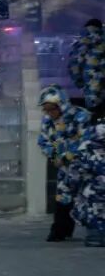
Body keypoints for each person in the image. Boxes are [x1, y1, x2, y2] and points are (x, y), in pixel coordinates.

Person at [38, 85, 93, 242]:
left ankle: (96, 232)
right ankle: (61, 231)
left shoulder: (81, 116)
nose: (49, 113)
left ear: (61, 104)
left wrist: (67, 157)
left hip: (86, 165)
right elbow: (46, 141)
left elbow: (86, 140)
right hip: (65, 167)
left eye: (52, 109)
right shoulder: (48, 121)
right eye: (46, 109)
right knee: (63, 197)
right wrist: (55, 156)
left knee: (91, 197)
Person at [74, 121, 105, 246]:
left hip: (93, 187)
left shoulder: (86, 145)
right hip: (94, 185)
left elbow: (78, 168)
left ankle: (94, 238)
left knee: (93, 212)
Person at [68, 19, 104, 115]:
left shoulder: (80, 43)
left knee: (94, 115)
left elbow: (73, 65)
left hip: (91, 88)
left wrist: (79, 83)